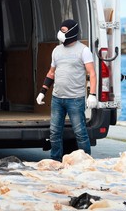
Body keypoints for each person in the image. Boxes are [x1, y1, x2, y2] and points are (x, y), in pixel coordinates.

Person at [36, 19, 97, 162]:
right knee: (54, 133)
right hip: (57, 99)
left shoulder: (83, 50)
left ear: (72, 32)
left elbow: (92, 73)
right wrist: (42, 92)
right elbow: (51, 73)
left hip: (75, 99)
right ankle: (55, 161)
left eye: (63, 31)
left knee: (80, 132)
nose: (60, 33)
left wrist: (92, 95)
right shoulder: (56, 50)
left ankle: (86, 162)